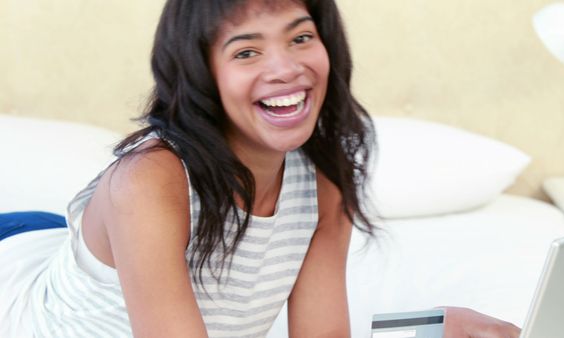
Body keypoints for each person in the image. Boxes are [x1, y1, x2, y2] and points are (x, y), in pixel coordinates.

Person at [0, 0, 521, 337]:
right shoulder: (149, 182)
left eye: (300, 38)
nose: (286, 68)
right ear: (202, 75)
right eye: (246, 51)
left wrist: (424, 333)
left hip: (71, 252)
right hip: (16, 278)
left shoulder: (322, 177)